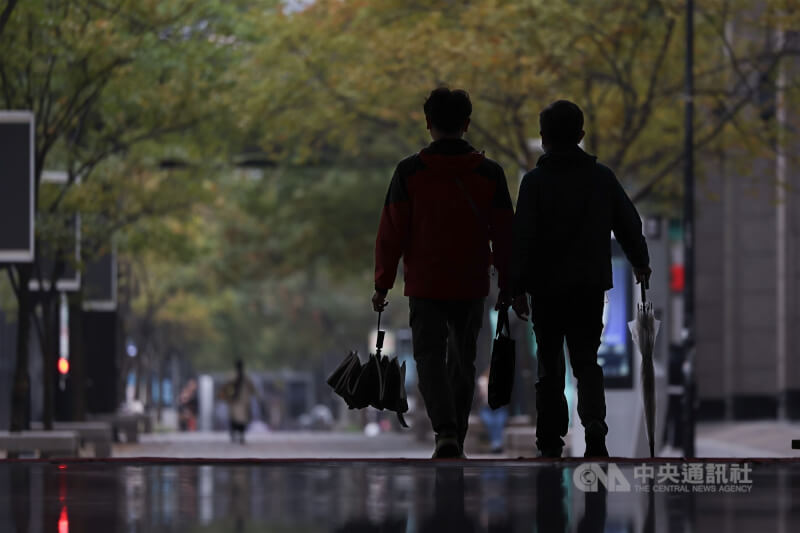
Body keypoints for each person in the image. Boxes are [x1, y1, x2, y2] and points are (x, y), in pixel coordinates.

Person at [372, 87, 514, 458]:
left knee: (429, 357)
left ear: (428, 124)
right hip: (470, 283)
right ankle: (456, 434)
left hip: (426, 283)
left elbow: (391, 230)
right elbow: (504, 233)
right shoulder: (489, 173)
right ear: (467, 124)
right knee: (463, 359)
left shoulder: (410, 172)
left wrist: (382, 284)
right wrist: (510, 282)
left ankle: (445, 431)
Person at [510, 100, 651, 458]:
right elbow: (628, 222)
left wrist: (517, 288)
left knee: (550, 363)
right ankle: (594, 428)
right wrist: (640, 262)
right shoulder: (601, 178)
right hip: (589, 286)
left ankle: (550, 437)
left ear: (543, 139)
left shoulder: (534, 183)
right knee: (587, 360)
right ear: (581, 135)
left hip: (546, 289)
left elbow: (522, 238)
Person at [219, 359, 257, 444]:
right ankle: (239, 435)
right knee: (238, 420)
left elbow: (225, 387)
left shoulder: (239, 377)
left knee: (237, 420)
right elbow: (252, 389)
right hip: (237, 402)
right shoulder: (242, 377)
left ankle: (238, 435)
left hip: (238, 402)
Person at [477, 368, 508, 454]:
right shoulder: (482, 381)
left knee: (499, 421)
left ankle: (496, 443)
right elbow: (481, 397)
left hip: (498, 408)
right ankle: (496, 443)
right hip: (486, 408)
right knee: (490, 422)